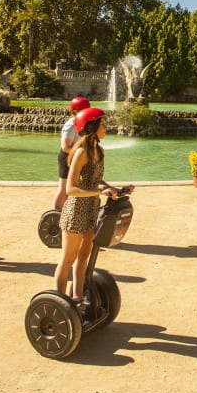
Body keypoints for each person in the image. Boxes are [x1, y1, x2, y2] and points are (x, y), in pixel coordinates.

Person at [54, 107, 132, 302]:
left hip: (91, 209)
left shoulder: (100, 151)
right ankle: (60, 302)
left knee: (84, 257)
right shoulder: (81, 152)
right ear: (91, 127)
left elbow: (97, 180)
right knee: (68, 260)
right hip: (76, 211)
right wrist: (99, 191)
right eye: (102, 124)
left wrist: (117, 189)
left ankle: (78, 298)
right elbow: (71, 188)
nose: (106, 127)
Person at [51, 97, 91, 210]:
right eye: (84, 111)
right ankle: (55, 212)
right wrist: (80, 152)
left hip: (76, 157)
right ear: (75, 112)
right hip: (66, 158)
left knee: (71, 187)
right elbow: (65, 147)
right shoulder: (71, 125)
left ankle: (64, 211)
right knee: (63, 188)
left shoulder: (81, 123)